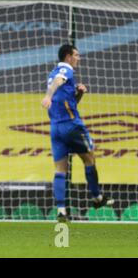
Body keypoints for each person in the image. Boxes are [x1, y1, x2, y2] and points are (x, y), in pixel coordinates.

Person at [41, 44, 114, 222]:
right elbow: (59, 81)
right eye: (76, 55)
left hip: (55, 128)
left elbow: (67, 102)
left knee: (60, 169)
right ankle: (97, 198)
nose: (79, 58)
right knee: (89, 158)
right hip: (71, 126)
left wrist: (79, 94)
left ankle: (61, 210)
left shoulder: (52, 73)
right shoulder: (65, 71)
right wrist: (48, 96)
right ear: (68, 56)